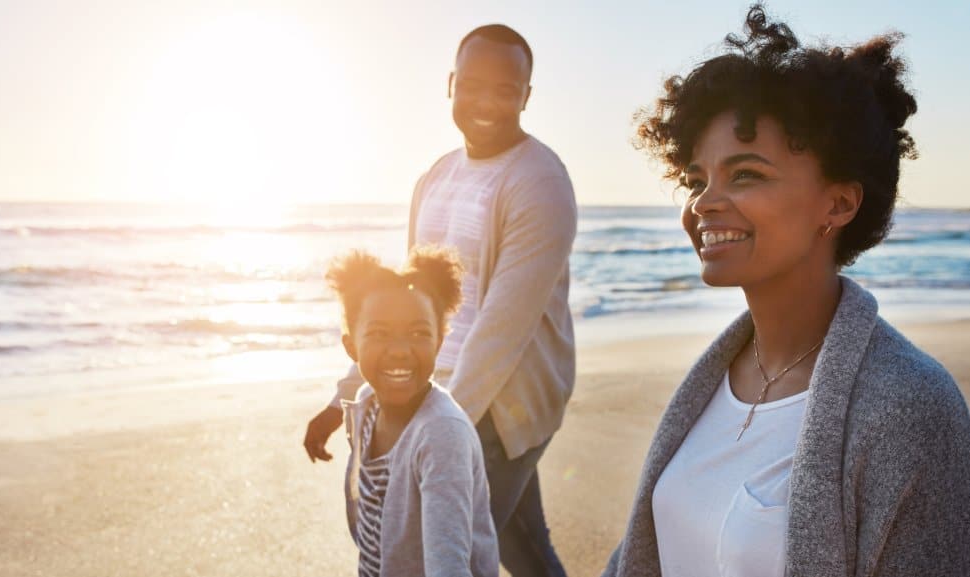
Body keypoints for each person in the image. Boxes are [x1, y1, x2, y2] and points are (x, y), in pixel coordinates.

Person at [603, 5, 970, 577]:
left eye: (745, 173)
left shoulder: (911, 405)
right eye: (696, 180)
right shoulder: (713, 380)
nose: (702, 203)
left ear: (840, 203)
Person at [305, 24, 576, 577]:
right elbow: (398, 308)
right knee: (521, 547)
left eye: (507, 91)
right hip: (426, 388)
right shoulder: (436, 177)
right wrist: (345, 396)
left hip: (498, 408)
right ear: (451, 84)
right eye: (474, 85)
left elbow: (503, 331)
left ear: (527, 96)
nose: (487, 103)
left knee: (434, 557)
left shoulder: (539, 181)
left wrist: (429, 426)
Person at [327, 246, 498, 577]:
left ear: (439, 342)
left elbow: (447, 565)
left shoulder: (441, 435)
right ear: (351, 346)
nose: (400, 351)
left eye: (419, 333)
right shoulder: (366, 406)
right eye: (379, 334)